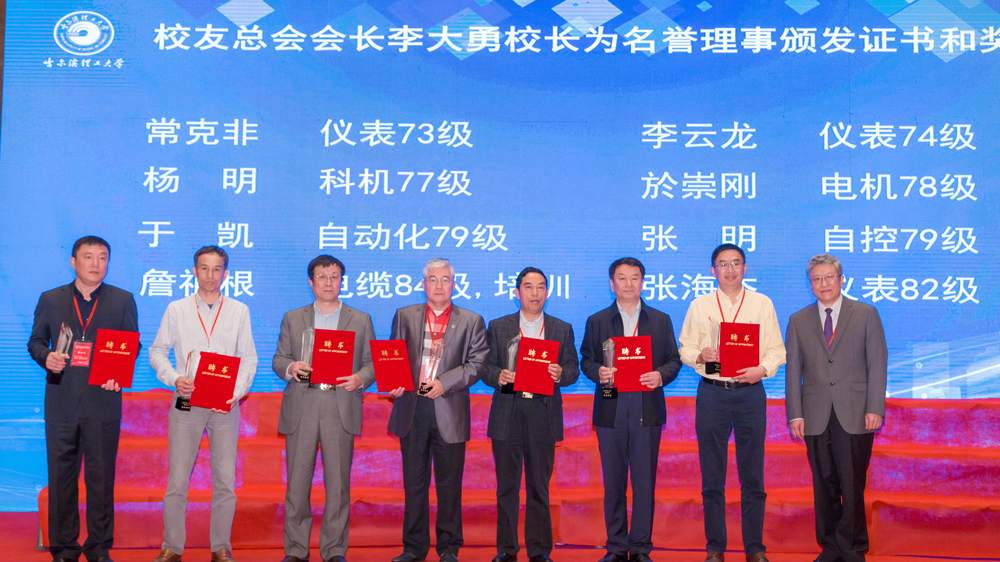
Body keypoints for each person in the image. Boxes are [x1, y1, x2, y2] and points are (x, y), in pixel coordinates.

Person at [28, 236, 138, 562]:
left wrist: (118, 372)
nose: (95, 264)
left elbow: (131, 345)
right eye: (88, 257)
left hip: (102, 401)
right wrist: (46, 356)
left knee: (101, 478)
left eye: (102, 257)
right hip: (61, 400)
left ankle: (99, 547)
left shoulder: (122, 300)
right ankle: (63, 548)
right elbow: (35, 341)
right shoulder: (51, 299)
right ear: (74, 262)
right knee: (61, 477)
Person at [149, 246, 258, 562]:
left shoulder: (239, 310)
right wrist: (174, 378)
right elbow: (157, 351)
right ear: (194, 271)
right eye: (204, 268)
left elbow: (248, 357)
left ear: (226, 273)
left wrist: (236, 392)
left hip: (225, 405)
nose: (210, 275)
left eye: (217, 268)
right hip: (187, 400)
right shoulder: (177, 309)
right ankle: (172, 547)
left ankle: (221, 547)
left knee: (225, 480)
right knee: (177, 479)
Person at [678, 244, 786, 562]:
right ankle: (715, 547)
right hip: (712, 393)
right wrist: (700, 355)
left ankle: (755, 548)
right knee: (712, 474)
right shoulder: (700, 305)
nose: (729, 269)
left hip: (750, 393)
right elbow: (684, 347)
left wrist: (762, 370)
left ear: (745, 268)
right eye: (723, 264)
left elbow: (777, 350)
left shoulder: (762, 303)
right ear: (713, 270)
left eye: (735, 263)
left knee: (752, 474)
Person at [272, 255, 376, 562]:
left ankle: (334, 550)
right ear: (311, 282)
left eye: (334, 276)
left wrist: (360, 378)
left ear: (342, 281)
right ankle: (296, 550)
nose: (328, 282)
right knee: (297, 484)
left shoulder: (360, 319)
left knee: (338, 485)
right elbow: (278, 359)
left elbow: (371, 363)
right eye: (322, 276)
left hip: (339, 404)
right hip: (303, 404)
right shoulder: (293, 317)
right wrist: (291, 367)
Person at [785, 254, 887, 562]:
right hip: (814, 414)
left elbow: (877, 362)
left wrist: (875, 407)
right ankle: (830, 547)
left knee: (852, 483)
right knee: (824, 482)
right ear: (810, 284)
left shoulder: (866, 313)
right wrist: (795, 413)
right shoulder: (798, 320)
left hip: (856, 412)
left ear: (841, 280)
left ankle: (852, 548)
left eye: (829, 277)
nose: (823, 284)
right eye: (816, 279)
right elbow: (793, 371)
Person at [385, 258, 488, 562]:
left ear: (454, 285)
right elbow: (394, 355)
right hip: (412, 407)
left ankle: (449, 547)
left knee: (449, 484)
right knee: (414, 483)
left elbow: (477, 363)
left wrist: (444, 382)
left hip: (449, 408)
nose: (439, 285)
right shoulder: (405, 315)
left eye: (445, 280)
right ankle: (413, 548)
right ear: (423, 284)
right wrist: (393, 382)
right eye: (433, 279)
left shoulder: (471, 320)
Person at [580, 257, 682, 562]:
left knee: (643, 482)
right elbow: (585, 359)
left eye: (634, 278)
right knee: (613, 482)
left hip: (646, 406)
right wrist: (598, 371)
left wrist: (660, 375)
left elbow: (674, 360)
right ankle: (615, 547)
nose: (628, 284)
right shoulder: (598, 320)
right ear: (612, 284)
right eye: (622, 278)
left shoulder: (660, 320)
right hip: (610, 406)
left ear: (642, 282)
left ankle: (639, 548)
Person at [483, 267, 580, 562]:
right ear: (517, 292)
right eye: (528, 287)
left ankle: (539, 551)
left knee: (539, 485)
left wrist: (561, 374)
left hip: (542, 412)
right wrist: (497, 375)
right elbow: (484, 367)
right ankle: (506, 550)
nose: (535, 293)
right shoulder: (498, 326)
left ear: (547, 292)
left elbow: (573, 370)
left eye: (540, 287)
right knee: (507, 487)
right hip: (508, 411)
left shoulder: (561, 328)